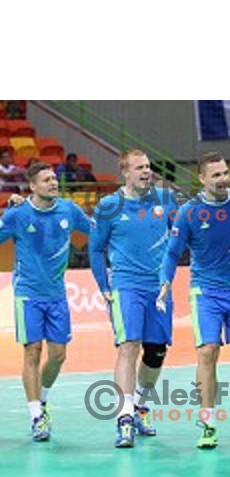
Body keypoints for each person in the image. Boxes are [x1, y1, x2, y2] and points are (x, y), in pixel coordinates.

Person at [157, 152, 230, 449]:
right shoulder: (189, 212)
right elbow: (171, 252)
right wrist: (165, 281)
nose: (222, 179)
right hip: (206, 291)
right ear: (202, 179)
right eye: (215, 175)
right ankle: (208, 421)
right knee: (208, 351)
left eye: (225, 173)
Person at [89, 149, 179, 448]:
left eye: (149, 167)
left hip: (159, 289)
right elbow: (95, 249)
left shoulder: (165, 201)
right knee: (128, 347)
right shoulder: (109, 206)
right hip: (126, 286)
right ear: (124, 172)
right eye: (139, 167)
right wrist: (103, 285)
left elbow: (180, 240)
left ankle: (140, 406)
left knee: (155, 353)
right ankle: (124, 417)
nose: (146, 172)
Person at [0, 162, 90, 441]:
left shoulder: (68, 210)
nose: (54, 183)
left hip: (57, 295)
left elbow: (96, 230)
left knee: (58, 355)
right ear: (32, 186)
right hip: (28, 294)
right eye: (47, 180)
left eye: (54, 178)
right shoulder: (18, 214)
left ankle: (43, 397)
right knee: (32, 351)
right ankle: (36, 416)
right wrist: (5, 210)